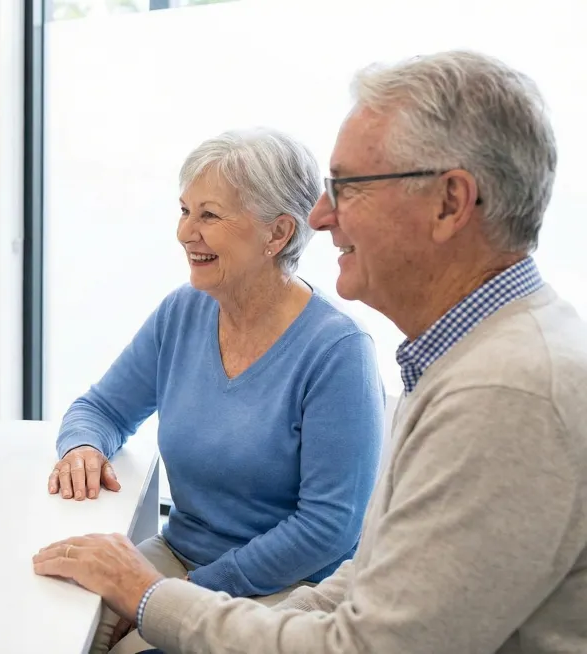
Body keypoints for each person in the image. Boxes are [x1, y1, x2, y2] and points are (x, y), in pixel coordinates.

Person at [35, 50, 587, 654]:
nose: (320, 217)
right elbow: (371, 578)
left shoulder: (505, 392)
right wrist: (167, 598)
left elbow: (366, 636)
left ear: (450, 203)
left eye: (348, 188)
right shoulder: (468, 361)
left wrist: (159, 601)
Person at [46, 127, 385, 652]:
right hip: (178, 558)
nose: (185, 232)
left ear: (277, 234)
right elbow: (103, 408)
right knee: (57, 620)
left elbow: (328, 529)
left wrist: (176, 596)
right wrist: (83, 447)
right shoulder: (183, 312)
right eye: (184, 211)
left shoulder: (338, 352)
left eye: (209, 215)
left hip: (282, 591)